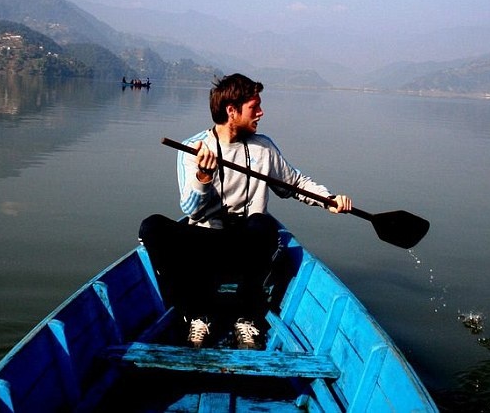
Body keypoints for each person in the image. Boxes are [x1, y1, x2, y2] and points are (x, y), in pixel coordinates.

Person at [138, 73, 353, 350]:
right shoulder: (194, 148)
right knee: (152, 227)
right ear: (232, 111)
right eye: (255, 107)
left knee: (262, 226)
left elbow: (295, 184)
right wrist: (204, 176)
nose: (261, 113)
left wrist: (329, 199)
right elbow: (189, 208)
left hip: (246, 247)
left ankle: (246, 316)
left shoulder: (263, 148)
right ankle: (196, 312)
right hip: (205, 247)